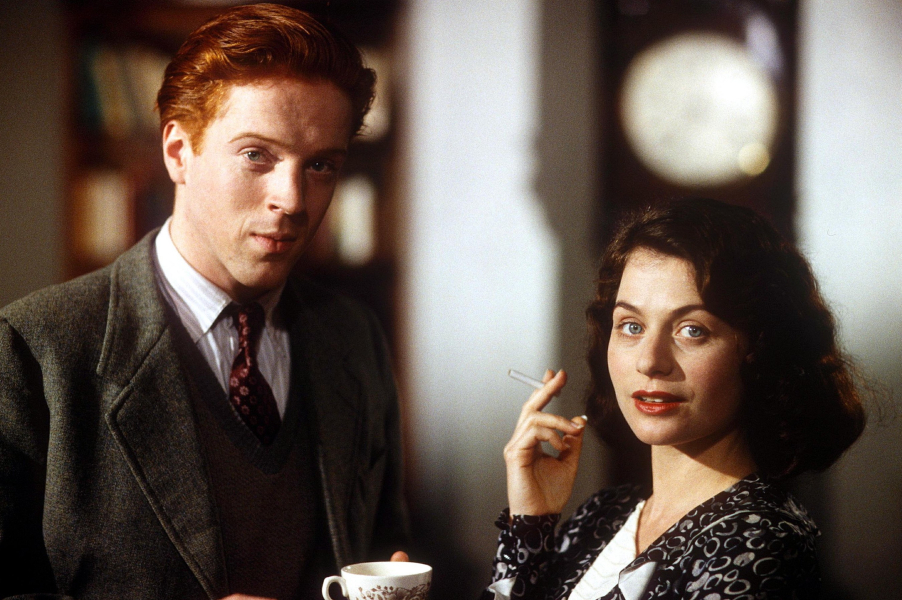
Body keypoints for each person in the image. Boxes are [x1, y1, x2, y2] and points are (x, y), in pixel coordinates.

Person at [0, 4, 408, 599]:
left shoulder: (353, 335)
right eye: (256, 155)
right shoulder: (33, 347)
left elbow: (385, 548)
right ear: (178, 152)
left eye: (320, 165)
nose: (293, 200)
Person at [481, 198, 866, 600]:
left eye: (692, 330)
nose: (650, 361)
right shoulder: (604, 513)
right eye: (632, 326)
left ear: (759, 349)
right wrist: (530, 525)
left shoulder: (762, 543)